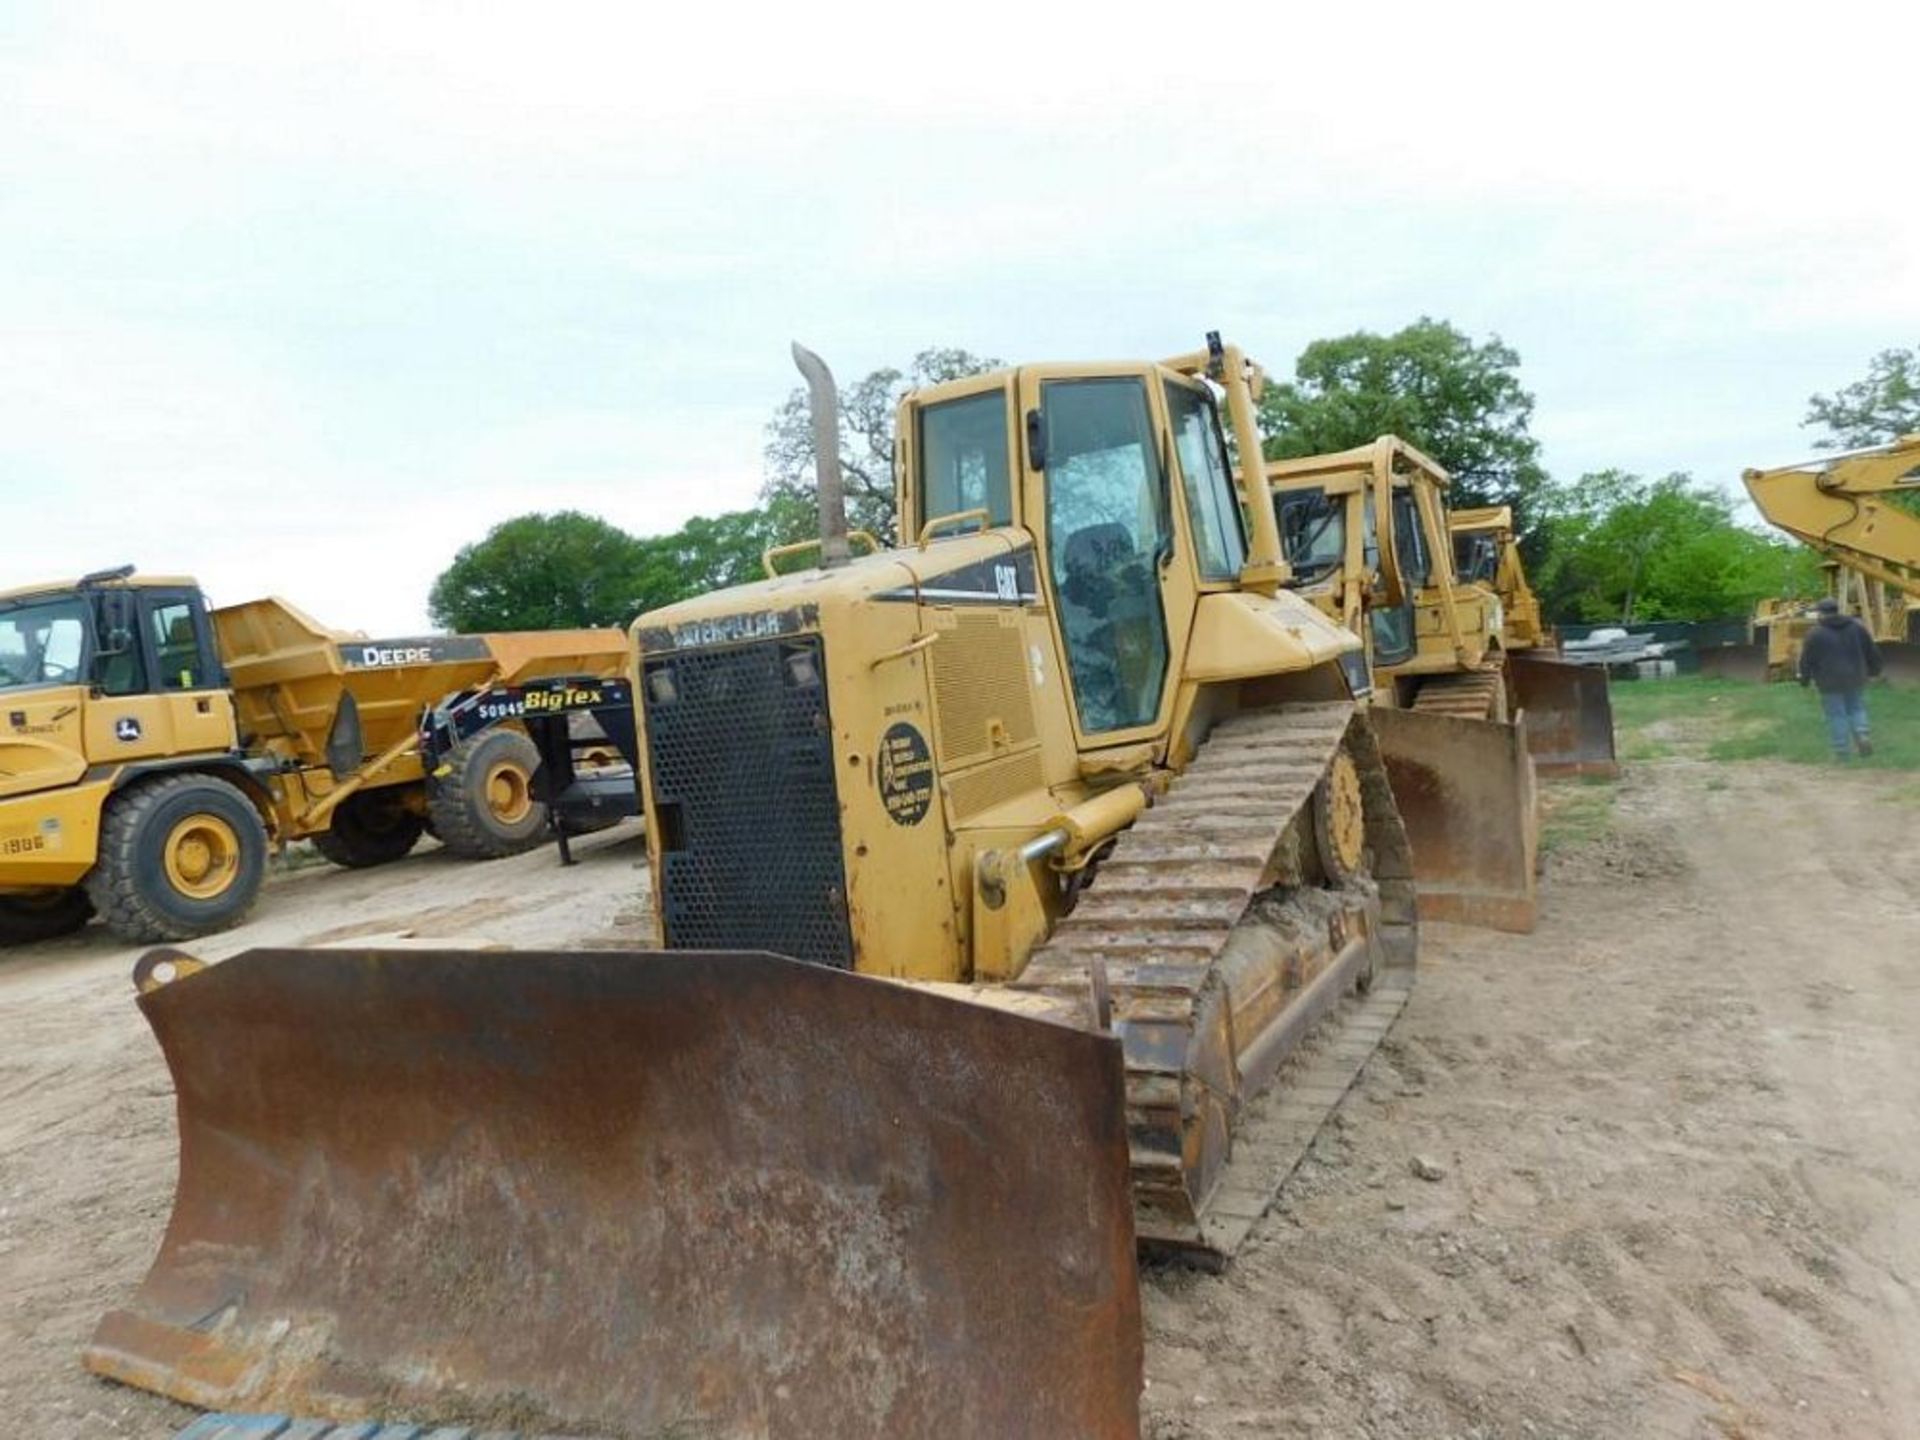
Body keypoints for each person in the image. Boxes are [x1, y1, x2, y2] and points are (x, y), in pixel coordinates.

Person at [1797, 597, 1883, 759]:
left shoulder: (1815, 634)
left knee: (1836, 714)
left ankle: (1842, 751)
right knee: (1856, 708)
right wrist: (1875, 671)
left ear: (1821, 614)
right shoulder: (1857, 627)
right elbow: (1871, 650)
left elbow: (1807, 659)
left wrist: (1805, 679)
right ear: (1837, 610)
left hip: (1829, 681)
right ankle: (1862, 734)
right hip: (1856, 676)